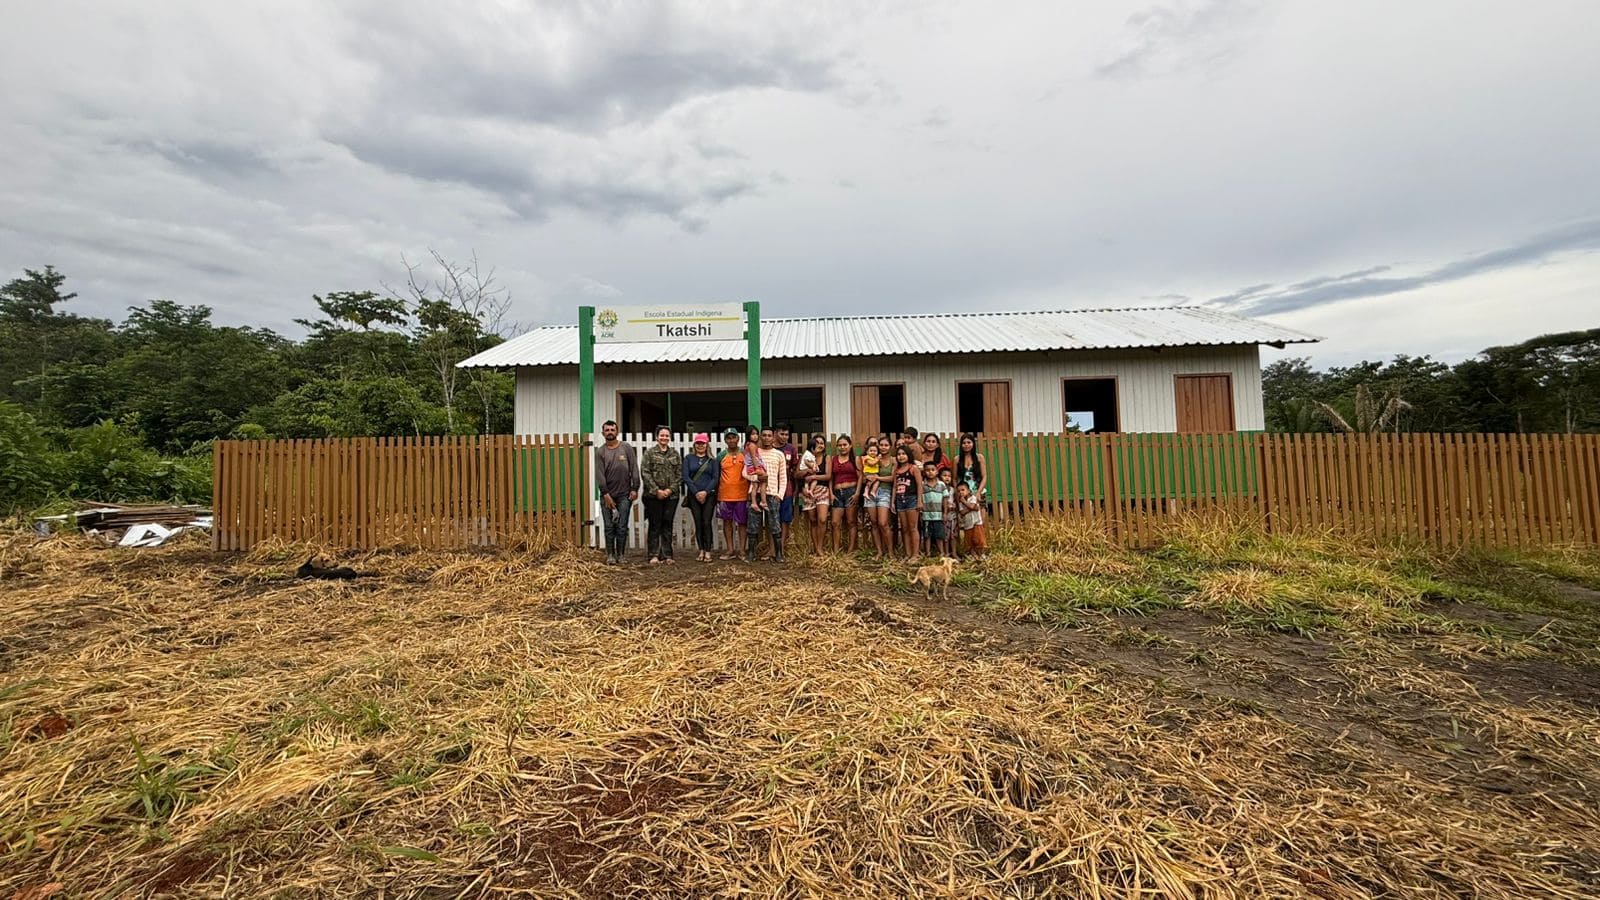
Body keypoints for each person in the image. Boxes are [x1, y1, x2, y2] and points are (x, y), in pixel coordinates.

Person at [593, 420, 638, 565]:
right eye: (607, 430)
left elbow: (634, 469)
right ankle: (610, 555)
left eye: (612, 430)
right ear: (603, 433)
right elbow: (600, 475)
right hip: (607, 495)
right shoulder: (600, 451)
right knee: (608, 526)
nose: (610, 432)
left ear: (617, 432)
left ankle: (621, 554)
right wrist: (605, 494)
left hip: (625, 494)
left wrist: (635, 488)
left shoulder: (626, 448)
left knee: (622, 526)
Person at [640, 426, 682, 564]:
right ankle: (653, 554)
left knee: (667, 523)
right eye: (662, 435)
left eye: (666, 436)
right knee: (655, 524)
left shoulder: (675, 454)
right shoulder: (650, 453)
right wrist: (656, 490)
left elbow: (679, 475)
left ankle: (667, 555)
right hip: (653, 496)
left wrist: (670, 490)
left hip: (671, 496)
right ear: (657, 437)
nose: (664, 438)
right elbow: (645, 472)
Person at [746, 427, 788, 562]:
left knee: (775, 525)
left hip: (772, 494)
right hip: (755, 493)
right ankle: (751, 553)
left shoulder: (779, 454)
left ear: (773, 437)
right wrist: (756, 479)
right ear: (760, 436)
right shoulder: (754, 452)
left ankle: (778, 554)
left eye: (769, 435)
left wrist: (780, 494)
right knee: (753, 524)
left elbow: (783, 477)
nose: (766, 438)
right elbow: (745, 472)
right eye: (763, 435)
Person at [682, 433, 719, 562]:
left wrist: (705, 492)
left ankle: (708, 550)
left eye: (702, 443)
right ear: (694, 444)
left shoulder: (712, 461)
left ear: (707, 444)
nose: (700, 445)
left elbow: (715, 478)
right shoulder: (688, 458)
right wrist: (696, 492)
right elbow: (686, 477)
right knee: (698, 522)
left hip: (709, 495)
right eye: (698, 443)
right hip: (694, 495)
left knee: (706, 522)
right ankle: (701, 550)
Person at [715, 430, 748, 560]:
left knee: (742, 523)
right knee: (727, 522)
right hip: (725, 495)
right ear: (725, 440)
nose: (731, 440)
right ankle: (730, 550)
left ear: (738, 438)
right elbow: (716, 475)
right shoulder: (721, 455)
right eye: (728, 438)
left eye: (733, 437)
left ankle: (742, 550)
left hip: (742, 494)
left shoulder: (744, 454)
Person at [862, 435, 895, 558]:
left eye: (886, 445)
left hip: (885, 492)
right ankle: (880, 551)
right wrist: (868, 478)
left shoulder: (893, 460)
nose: (883, 447)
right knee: (874, 523)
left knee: (883, 523)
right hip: (870, 491)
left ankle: (890, 552)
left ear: (890, 447)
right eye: (881, 445)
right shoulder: (872, 458)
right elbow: (864, 474)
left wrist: (878, 478)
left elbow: (892, 478)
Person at [826, 435, 859, 554]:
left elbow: (860, 477)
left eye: (845, 445)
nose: (842, 447)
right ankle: (836, 550)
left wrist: (857, 493)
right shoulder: (834, 459)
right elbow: (830, 478)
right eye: (840, 445)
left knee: (851, 522)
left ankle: (850, 550)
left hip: (851, 491)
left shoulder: (855, 459)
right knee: (835, 522)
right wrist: (831, 493)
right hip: (837, 493)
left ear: (850, 446)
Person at [799, 434, 831, 554]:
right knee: (812, 520)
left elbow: (828, 476)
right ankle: (815, 547)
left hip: (822, 489)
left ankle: (820, 547)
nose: (819, 445)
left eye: (822, 443)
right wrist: (806, 474)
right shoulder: (806, 457)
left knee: (822, 519)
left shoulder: (826, 458)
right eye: (817, 443)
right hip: (807, 491)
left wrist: (813, 476)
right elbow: (797, 473)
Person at [892, 445, 923, 558]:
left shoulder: (913, 468)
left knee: (913, 528)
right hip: (900, 500)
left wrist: (919, 501)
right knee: (904, 528)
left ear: (908, 455)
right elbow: (895, 487)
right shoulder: (897, 471)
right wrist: (892, 502)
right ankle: (907, 554)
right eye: (899, 454)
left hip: (911, 499)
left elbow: (920, 485)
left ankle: (915, 555)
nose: (901, 456)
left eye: (903, 454)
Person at [776, 425, 800, 549]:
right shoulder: (771, 449)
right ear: (776, 433)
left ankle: (782, 547)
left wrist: (796, 488)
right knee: (773, 518)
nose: (784, 437)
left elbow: (796, 469)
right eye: (782, 434)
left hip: (787, 488)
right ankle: (773, 548)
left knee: (785, 518)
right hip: (772, 487)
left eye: (786, 434)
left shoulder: (791, 449)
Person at [921, 461, 950, 557]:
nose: (930, 472)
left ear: (937, 471)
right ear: (924, 472)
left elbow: (945, 499)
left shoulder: (941, 484)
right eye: (927, 470)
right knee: (927, 535)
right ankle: (928, 554)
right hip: (926, 515)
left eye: (932, 470)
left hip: (938, 515)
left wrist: (945, 513)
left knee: (939, 535)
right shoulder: (922, 485)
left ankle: (941, 553)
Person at [954, 432, 989, 502]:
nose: (966, 445)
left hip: (978, 491)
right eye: (964, 443)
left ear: (973, 444)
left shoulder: (980, 457)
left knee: (980, 512)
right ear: (961, 445)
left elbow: (984, 476)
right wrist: (957, 493)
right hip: (963, 494)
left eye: (969, 442)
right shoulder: (957, 459)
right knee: (965, 512)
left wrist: (979, 492)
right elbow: (954, 479)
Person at [957, 481, 988, 556]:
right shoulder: (960, 502)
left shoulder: (973, 498)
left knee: (979, 540)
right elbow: (962, 512)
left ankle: (981, 555)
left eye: (963, 490)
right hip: (968, 525)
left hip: (976, 523)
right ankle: (973, 556)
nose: (961, 492)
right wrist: (972, 508)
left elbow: (972, 506)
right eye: (958, 491)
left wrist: (966, 503)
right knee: (970, 541)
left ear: (968, 490)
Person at [742, 427, 768, 512]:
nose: (755, 436)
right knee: (764, 479)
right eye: (753, 434)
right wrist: (757, 468)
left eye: (756, 434)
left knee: (755, 485)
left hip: (751, 467)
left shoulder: (748, 445)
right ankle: (762, 501)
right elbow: (753, 457)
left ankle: (756, 502)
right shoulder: (752, 445)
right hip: (753, 467)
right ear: (748, 435)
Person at [940, 468, 960, 558]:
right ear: (940, 477)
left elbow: (956, 501)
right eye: (944, 476)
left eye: (949, 476)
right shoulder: (939, 488)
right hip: (943, 515)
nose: (947, 478)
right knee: (945, 535)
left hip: (953, 515)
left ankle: (954, 552)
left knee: (953, 535)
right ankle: (946, 553)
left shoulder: (953, 490)